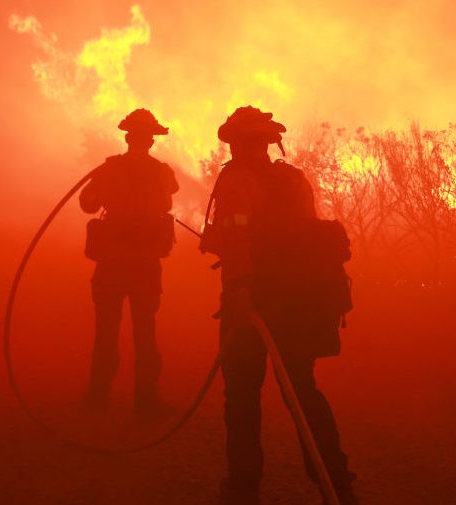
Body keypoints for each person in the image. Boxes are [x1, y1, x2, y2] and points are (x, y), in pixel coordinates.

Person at [201, 106, 357, 504]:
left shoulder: (236, 180)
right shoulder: (294, 178)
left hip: (253, 300)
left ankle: (242, 487)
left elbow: (236, 237)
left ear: (238, 142)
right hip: (299, 300)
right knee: (302, 390)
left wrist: (238, 289)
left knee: (241, 393)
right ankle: (336, 483)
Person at [79, 108, 179, 416]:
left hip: (111, 262)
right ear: (150, 141)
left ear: (127, 137)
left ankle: (98, 397)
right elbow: (169, 199)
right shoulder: (162, 172)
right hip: (145, 264)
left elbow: (87, 204)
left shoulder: (109, 169)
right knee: (145, 330)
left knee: (106, 330)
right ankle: (146, 400)